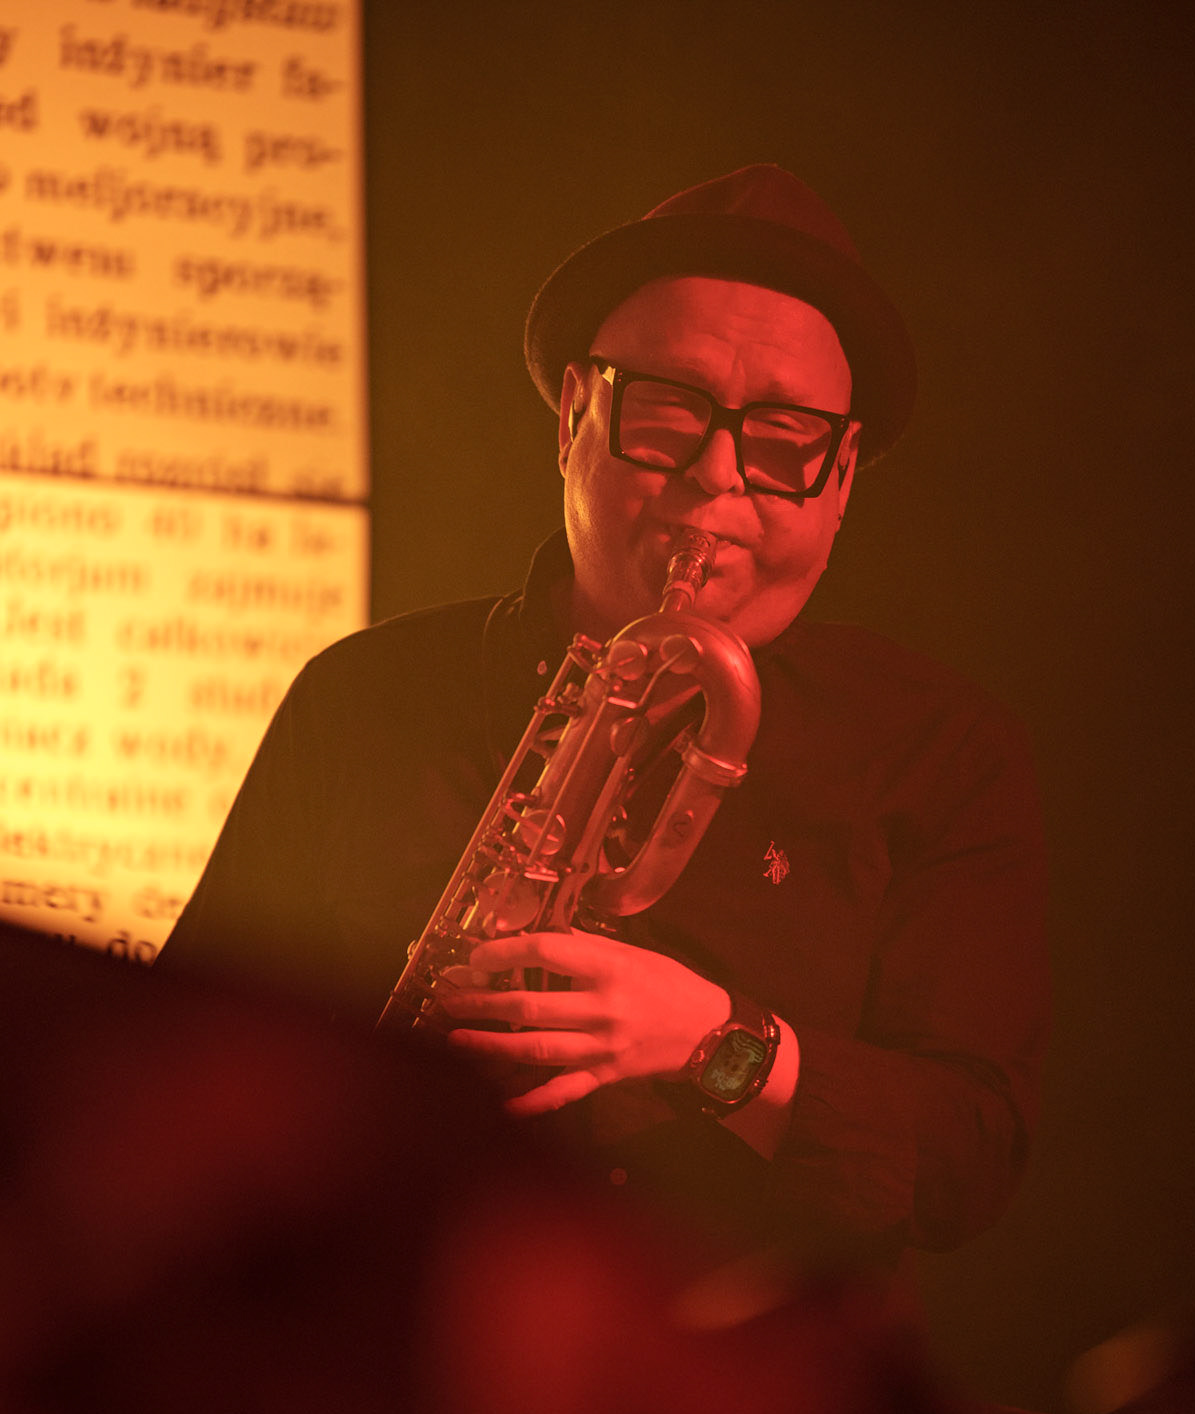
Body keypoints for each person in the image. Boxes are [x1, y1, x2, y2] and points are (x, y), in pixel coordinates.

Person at [159, 165, 1049, 1280]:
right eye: (668, 411)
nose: (715, 478)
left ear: (841, 478)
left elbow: (969, 1161)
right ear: (576, 414)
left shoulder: (940, 751)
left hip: (730, 1362)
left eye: (783, 439)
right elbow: (172, 1059)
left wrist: (717, 1046)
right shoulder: (363, 695)